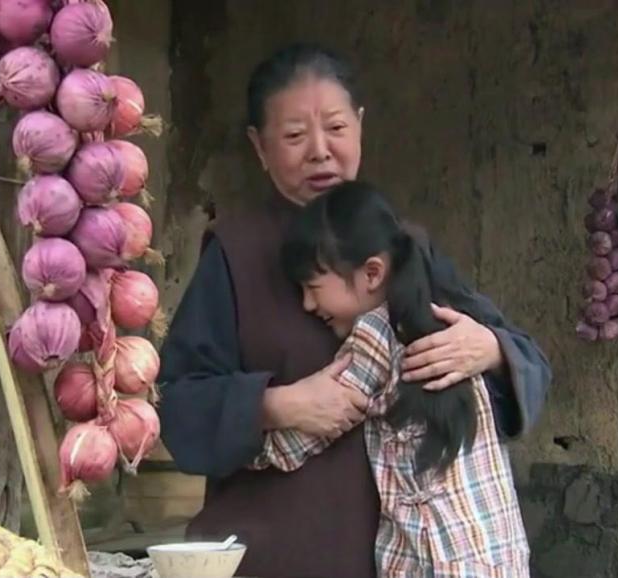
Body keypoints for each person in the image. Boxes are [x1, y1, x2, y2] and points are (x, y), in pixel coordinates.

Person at [158, 42, 551, 578]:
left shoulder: (402, 246)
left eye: (336, 129)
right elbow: (178, 405)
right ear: (259, 146)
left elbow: (525, 358)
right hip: (276, 560)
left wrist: (490, 349)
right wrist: (275, 405)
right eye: (295, 136)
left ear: (360, 127)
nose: (319, 151)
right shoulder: (234, 251)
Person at [249, 180, 529, 578]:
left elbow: (302, 437)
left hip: (434, 562)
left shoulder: (376, 336)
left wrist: (247, 431)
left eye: (312, 287)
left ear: (372, 273)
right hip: (498, 556)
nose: (308, 305)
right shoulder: (447, 311)